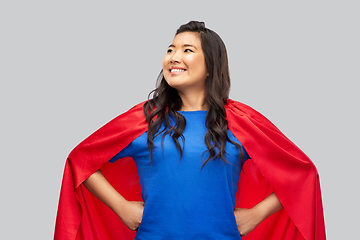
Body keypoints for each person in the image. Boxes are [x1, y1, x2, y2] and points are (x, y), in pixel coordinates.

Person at [54, 21, 326, 240]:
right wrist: (121, 206)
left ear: (211, 65)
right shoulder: (145, 119)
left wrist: (256, 214)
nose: (174, 57)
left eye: (187, 50)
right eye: (171, 49)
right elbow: (80, 162)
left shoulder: (240, 122)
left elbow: (301, 174)